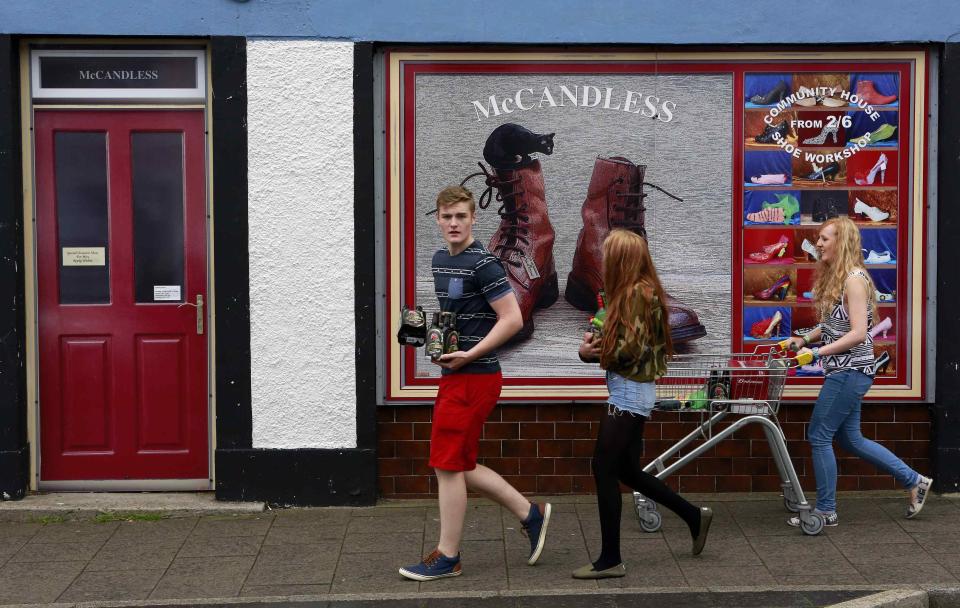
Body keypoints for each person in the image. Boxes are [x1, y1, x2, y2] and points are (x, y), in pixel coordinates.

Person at [399, 186, 552, 581]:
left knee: (446, 464)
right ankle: (529, 514)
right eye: (447, 216)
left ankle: (448, 556)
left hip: (475, 377)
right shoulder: (439, 260)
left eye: (461, 217)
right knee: (458, 464)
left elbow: (512, 319)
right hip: (456, 374)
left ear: (473, 219)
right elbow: (456, 318)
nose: (453, 223)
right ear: (437, 218)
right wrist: (425, 336)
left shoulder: (484, 263)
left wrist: (470, 354)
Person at [573, 229, 712, 579]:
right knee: (627, 471)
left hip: (628, 393)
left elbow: (630, 352)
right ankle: (694, 516)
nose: (603, 260)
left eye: (608, 254)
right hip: (634, 390)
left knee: (603, 469)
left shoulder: (636, 294)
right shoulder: (639, 292)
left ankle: (610, 559)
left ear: (621, 259)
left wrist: (592, 354)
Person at [786, 217, 932, 527]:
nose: (819, 244)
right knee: (851, 439)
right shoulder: (837, 279)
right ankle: (914, 480)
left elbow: (857, 333)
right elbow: (831, 325)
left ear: (842, 243)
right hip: (847, 371)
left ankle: (826, 510)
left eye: (825, 238)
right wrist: (804, 338)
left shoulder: (854, 279)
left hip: (849, 371)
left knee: (819, 436)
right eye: (819, 238)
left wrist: (815, 353)